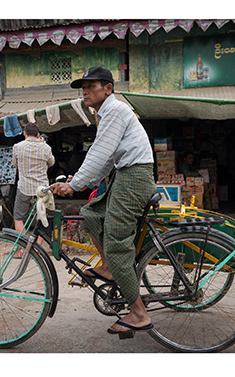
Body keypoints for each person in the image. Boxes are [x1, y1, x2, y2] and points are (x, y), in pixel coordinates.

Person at [49, 66, 157, 336]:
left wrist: (74, 184)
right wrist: (81, 179)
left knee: (117, 241)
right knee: (92, 213)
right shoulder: (107, 112)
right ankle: (109, 267)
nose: (85, 91)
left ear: (108, 89)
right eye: (83, 87)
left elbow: (100, 151)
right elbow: (106, 159)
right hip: (125, 174)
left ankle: (138, 313)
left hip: (134, 176)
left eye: (91, 86)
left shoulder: (115, 110)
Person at [12, 121, 55, 254]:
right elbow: (51, 162)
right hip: (41, 189)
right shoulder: (45, 147)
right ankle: (37, 248)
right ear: (38, 135)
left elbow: (15, 164)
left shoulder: (17, 147)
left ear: (24, 133)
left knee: (18, 219)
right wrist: (42, 144)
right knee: (41, 218)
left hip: (24, 188)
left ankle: (26, 246)